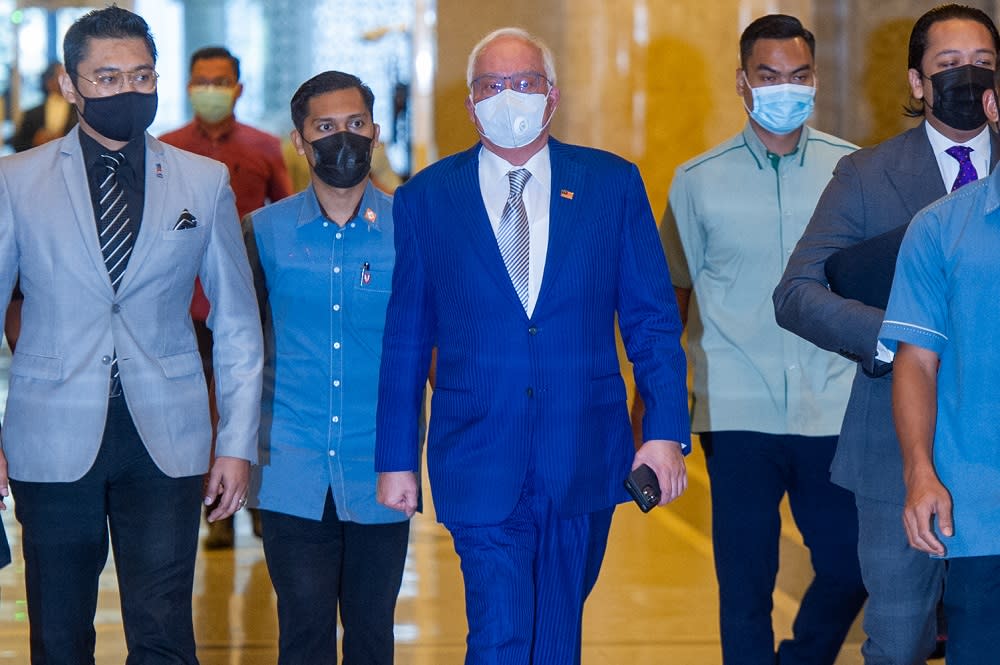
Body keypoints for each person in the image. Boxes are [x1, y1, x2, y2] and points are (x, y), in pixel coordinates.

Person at [375, 26, 690, 664]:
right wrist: (395, 457)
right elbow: (406, 338)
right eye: (492, 85)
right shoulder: (426, 199)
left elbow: (652, 321)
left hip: (584, 451)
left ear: (552, 97)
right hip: (477, 450)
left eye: (524, 83)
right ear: (470, 103)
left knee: (554, 634)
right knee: (498, 631)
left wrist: (664, 432)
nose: (508, 97)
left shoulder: (611, 185)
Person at [0, 6, 263, 662]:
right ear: (70, 85)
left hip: (166, 440)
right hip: (49, 435)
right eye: (108, 77)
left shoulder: (203, 182)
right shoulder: (16, 182)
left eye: (142, 76)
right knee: (58, 634)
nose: (128, 90)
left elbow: (235, 322)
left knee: (165, 629)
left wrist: (235, 444)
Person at [773, 5, 1000, 663]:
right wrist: (902, 336)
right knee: (900, 638)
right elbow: (797, 292)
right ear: (915, 82)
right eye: (948, 66)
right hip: (896, 450)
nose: (968, 78)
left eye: (982, 64)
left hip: (990, 449)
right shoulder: (867, 176)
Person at [658, 14, 866, 664]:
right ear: (742, 84)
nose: (785, 88)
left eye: (798, 75)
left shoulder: (854, 172)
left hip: (833, 405)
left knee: (849, 562)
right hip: (735, 409)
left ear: (815, 78)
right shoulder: (696, 181)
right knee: (744, 583)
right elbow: (673, 295)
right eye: (768, 76)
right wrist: (659, 401)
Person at [244, 70, 412, 665]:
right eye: (325, 127)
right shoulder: (262, 232)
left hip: (381, 470)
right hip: (291, 466)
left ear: (375, 132)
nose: (344, 138)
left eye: (356, 124)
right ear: (300, 141)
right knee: (304, 635)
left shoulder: (411, 228)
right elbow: (240, 348)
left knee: (372, 633)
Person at [879, 64, 1000, 662]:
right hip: (981, 510)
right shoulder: (940, 229)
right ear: (993, 107)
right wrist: (920, 472)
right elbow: (917, 362)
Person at [160, 45, 293, 548]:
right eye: (201, 80)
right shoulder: (167, 149)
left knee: (252, 400)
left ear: (238, 87)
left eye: (220, 81)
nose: (210, 90)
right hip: (183, 299)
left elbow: (284, 215)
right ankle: (212, 508)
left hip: (249, 299)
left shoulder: (264, 146)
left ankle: (255, 501)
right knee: (199, 408)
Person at [10, 62, 77, 153]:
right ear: (49, 82)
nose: (68, 80)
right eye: (62, 76)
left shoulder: (80, 111)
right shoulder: (32, 113)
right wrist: (35, 141)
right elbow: (17, 144)